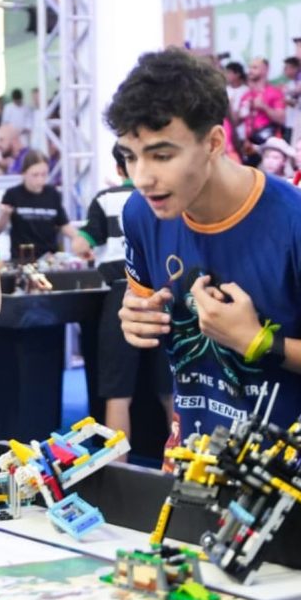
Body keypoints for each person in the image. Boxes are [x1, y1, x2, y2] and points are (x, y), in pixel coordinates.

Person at [110, 48, 301, 458]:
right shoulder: (140, 213)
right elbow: (138, 297)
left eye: (162, 155)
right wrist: (135, 315)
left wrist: (259, 342)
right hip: (195, 463)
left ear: (213, 142)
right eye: (129, 156)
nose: (142, 177)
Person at [71, 144, 173, 445]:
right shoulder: (164, 196)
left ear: (119, 168)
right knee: (171, 391)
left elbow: (81, 244)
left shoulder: (105, 199)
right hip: (163, 294)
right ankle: (181, 465)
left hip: (121, 293)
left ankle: (120, 467)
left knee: (118, 393)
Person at [0, 149, 87, 262]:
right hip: (22, 259)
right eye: (35, 175)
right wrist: (4, 214)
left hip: (49, 259)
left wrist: (82, 238)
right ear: (24, 174)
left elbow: (64, 224)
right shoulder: (12, 194)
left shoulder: (53, 194)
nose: (40, 180)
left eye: (44, 175)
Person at [237, 57, 286, 147]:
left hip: (269, 143)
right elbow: (236, 122)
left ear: (265, 70)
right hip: (249, 145)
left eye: (255, 68)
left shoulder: (275, 92)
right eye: (250, 68)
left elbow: (281, 119)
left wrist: (264, 107)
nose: (250, 71)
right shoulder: (246, 95)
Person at [282, 56, 301, 143]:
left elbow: (298, 103)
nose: (284, 70)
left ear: (295, 69)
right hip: (289, 123)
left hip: (298, 124)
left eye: (287, 68)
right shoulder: (289, 84)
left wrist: (284, 100)